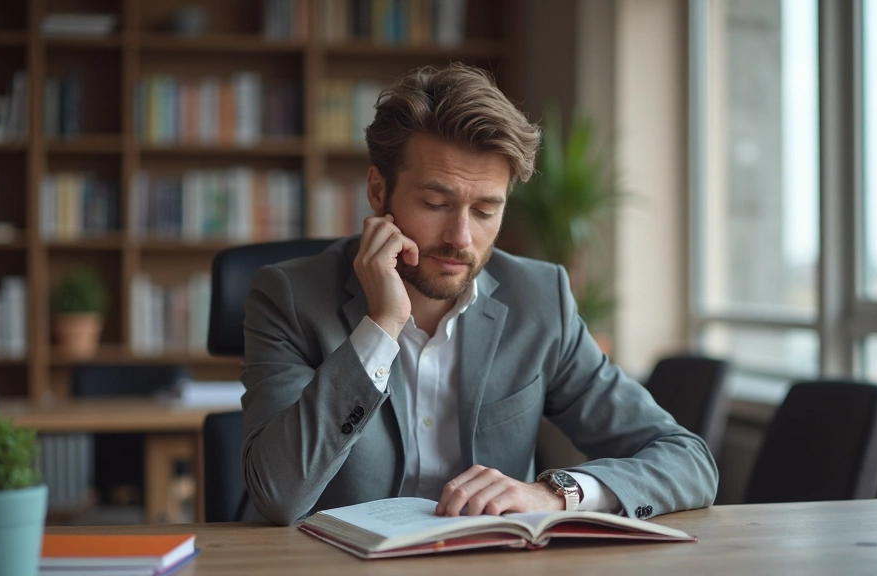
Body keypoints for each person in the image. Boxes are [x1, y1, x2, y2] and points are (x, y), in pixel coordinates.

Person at [241, 63, 718, 526]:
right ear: (378, 191)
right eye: (436, 204)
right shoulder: (290, 297)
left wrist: (557, 493)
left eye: (486, 210)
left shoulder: (540, 300)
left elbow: (688, 460)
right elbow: (279, 495)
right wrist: (381, 326)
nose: (461, 237)